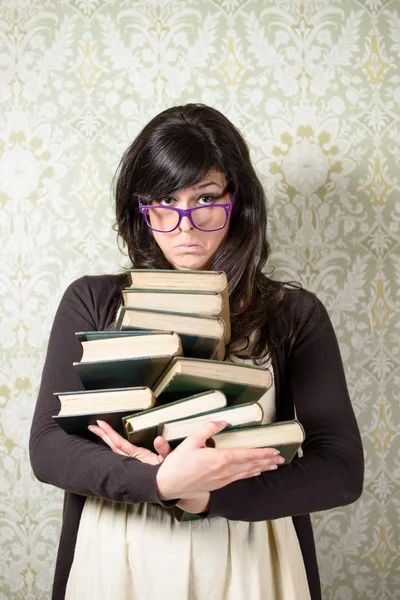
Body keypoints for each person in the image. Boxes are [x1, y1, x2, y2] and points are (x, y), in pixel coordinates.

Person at [29, 103, 364, 600]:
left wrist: (209, 492)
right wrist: (161, 480)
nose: (184, 225)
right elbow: (48, 447)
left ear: (238, 200)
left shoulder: (294, 313)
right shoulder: (92, 300)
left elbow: (340, 469)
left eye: (205, 198)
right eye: (165, 199)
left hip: (252, 562)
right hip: (118, 557)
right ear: (140, 207)